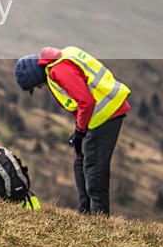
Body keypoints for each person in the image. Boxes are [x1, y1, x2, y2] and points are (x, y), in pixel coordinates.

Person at [15, 46, 131, 215]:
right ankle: (85, 211)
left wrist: (80, 130)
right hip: (97, 117)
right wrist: (79, 132)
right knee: (80, 159)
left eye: (36, 85)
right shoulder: (61, 59)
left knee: (94, 165)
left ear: (35, 76)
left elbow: (86, 102)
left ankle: (99, 218)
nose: (40, 88)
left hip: (105, 115)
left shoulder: (58, 70)